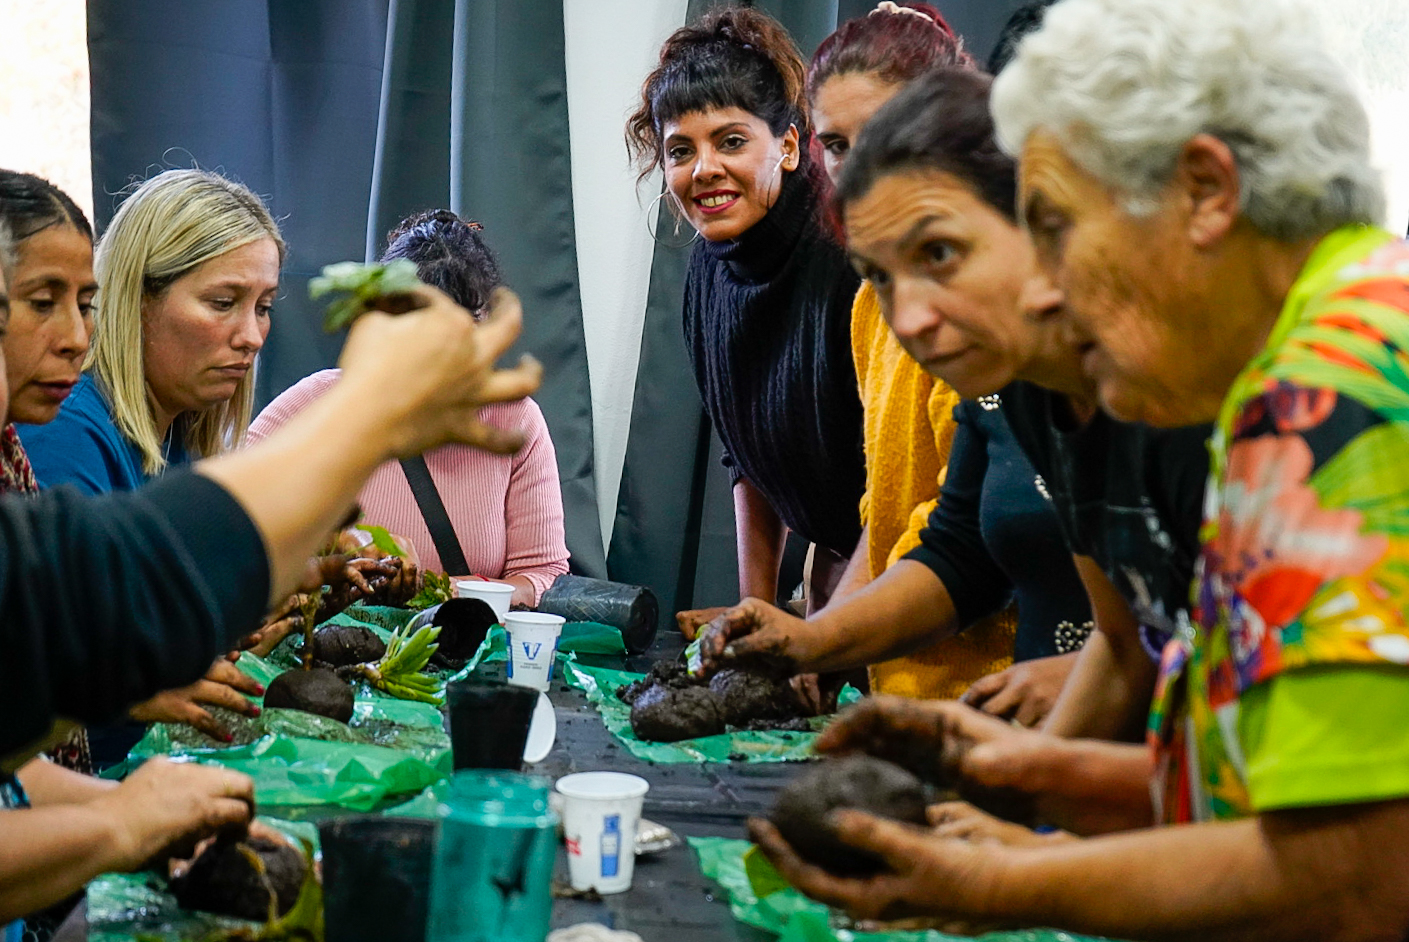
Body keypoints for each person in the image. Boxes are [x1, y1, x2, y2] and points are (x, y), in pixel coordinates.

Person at [752, 1, 1409, 938]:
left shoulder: (1323, 397)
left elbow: (1359, 879)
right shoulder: (1357, 329)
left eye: (1056, 224)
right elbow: (1247, 790)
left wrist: (990, 886)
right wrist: (1028, 777)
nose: (1044, 290)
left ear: (1205, 191)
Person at [704, 67, 1207, 827]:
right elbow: (1119, 640)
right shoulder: (1037, 391)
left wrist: (1018, 850)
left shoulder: (1229, 397)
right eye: (878, 278)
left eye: (939, 254)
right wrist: (1015, 815)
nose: (910, 318)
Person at [0, 235, 541, 924]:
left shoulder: (168, 434)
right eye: (33, 308)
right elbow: (102, 594)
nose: (73, 339)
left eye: (263, 307)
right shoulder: (72, 433)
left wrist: (130, 812)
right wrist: (119, 825)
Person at [795, 0, 1090, 712]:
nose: (917, 318)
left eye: (940, 256)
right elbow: (941, 533)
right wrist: (814, 638)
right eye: (837, 145)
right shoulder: (1018, 374)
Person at [628, 8, 866, 625]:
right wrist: (756, 611)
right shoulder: (708, 272)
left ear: (788, 145)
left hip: (914, 567)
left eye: (731, 141)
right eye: (682, 150)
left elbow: (904, 484)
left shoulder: (851, 261)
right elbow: (751, 451)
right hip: (841, 563)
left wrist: (824, 640)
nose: (704, 168)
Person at [248, 210, 569, 608]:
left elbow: (543, 574)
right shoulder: (315, 403)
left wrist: (435, 588)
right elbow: (232, 535)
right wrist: (335, 556)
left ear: (487, 328)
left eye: (455, 336)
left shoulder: (513, 420)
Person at [18, 169, 280, 493]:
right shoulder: (65, 430)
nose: (252, 338)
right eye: (223, 303)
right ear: (138, 298)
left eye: (263, 308)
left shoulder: (180, 431)